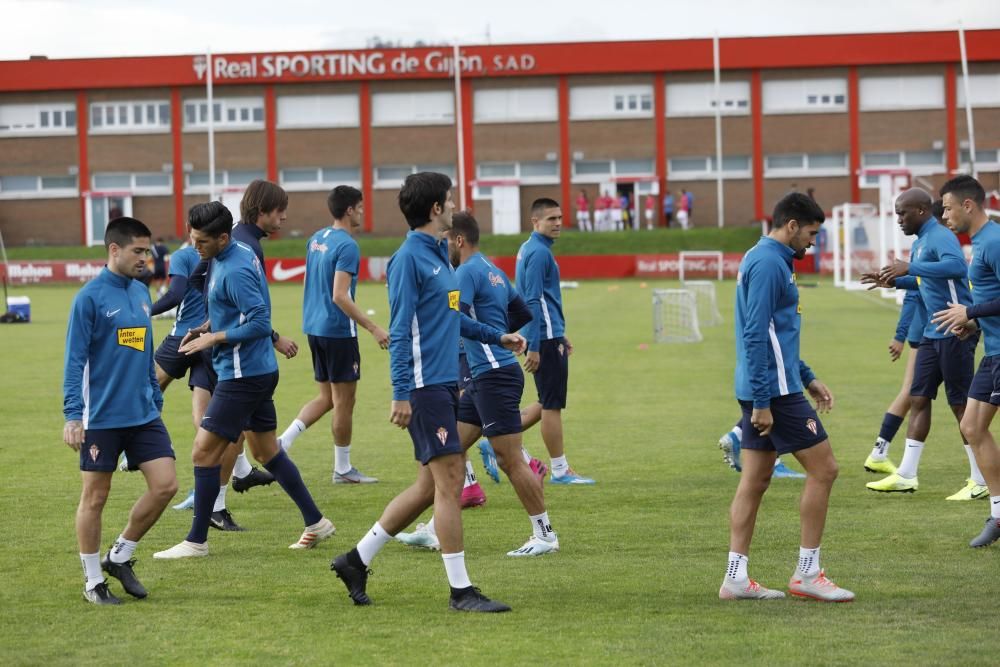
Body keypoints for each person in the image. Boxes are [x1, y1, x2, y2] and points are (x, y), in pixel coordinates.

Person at [330, 172, 525, 612]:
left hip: (444, 384)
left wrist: (498, 337)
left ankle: (355, 559)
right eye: (451, 199)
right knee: (451, 480)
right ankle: (461, 592)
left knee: (427, 486)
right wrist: (401, 393)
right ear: (436, 209)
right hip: (423, 388)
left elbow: (452, 319)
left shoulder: (441, 256)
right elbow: (400, 330)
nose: (455, 205)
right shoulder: (408, 260)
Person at [153, 201, 335, 559]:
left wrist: (215, 338)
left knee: (203, 452)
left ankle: (196, 541)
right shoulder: (223, 257)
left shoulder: (235, 267)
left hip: (243, 375)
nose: (195, 248)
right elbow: (233, 311)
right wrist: (206, 326)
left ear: (223, 237)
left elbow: (258, 321)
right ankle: (317, 522)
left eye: (201, 241)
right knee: (267, 451)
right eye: (191, 239)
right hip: (256, 370)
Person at [397, 212, 558, 556]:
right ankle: (435, 527)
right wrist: (498, 331)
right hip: (486, 374)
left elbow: (452, 317)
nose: (442, 245)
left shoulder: (465, 273)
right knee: (451, 455)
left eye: (446, 239)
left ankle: (544, 534)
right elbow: (522, 313)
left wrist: (474, 339)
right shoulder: (493, 270)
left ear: (458, 240)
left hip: (492, 374)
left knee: (510, 459)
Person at [720, 192, 853, 602]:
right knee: (825, 469)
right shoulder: (767, 263)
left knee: (756, 479)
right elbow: (756, 332)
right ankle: (808, 574)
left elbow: (779, 335)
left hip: (772, 384)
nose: (813, 242)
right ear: (791, 225)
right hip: (773, 391)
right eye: (811, 233)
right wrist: (763, 400)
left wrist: (808, 377)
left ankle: (736, 579)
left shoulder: (771, 260)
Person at [63, 216, 178, 604]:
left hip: (143, 413)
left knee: (166, 485)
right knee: (95, 498)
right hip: (101, 419)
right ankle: (93, 582)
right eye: (138, 251)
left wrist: (154, 393)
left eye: (148, 251)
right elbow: (74, 361)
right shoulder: (89, 298)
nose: (146, 258)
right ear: (115, 250)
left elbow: (145, 349)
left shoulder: (140, 293)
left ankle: (121, 554)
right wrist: (73, 414)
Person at [861, 188, 985, 498]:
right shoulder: (920, 243)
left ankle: (980, 480)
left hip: (956, 331)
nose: (899, 219)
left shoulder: (939, 236)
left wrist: (911, 267)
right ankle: (906, 474)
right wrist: (891, 279)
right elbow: (922, 280)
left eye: (902, 213)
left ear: (920, 211)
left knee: (960, 406)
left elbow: (958, 268)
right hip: (932, 333)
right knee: (918, 398)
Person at [276, 185, 388, 483]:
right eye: (360, 207)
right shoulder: (348, 245)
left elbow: (310, 284)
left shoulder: (316, 238)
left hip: (315, 328)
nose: (363, 212)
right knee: (344, 402)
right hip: (338, 331)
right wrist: (373, 327)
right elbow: (340, 295)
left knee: (326, 398)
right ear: (349, 209)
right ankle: (342, 469)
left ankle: (282, 442)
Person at [148, 228, 255, 530]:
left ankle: (137, 448)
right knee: (210, 424)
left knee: (217, 423)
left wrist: (146, 311)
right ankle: (232, 482)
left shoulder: (195, 257)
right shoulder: (231, 254)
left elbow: (179, 292)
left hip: (194, 337)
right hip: (202, 338)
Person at [929, 175, 1000, 547]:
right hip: (992, 351)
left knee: (974, 426)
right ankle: (999, 514)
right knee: (971, 427)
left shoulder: (995, 241)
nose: (944, 216)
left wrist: (970, 309)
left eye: (947, 208)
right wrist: (972, 323)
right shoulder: (980, 243)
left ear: (968, 205)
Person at [224, 179, 299, 494]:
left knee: (239, 434)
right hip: (237, 354)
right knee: (225, 433)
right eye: (279, 210)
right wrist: (274, 337)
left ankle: (217, 496)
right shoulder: (246, 246)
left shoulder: (243, 239)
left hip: (234, 349)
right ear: (262, 210)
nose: (283, 217)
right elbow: (250, 310)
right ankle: (211, 503)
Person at [516, 198, 595, 484]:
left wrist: (557, 332)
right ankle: (560, 470)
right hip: (544, 338)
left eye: (560, 217)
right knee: (552, 405)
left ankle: (500, 435)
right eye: (551, 219)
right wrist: (536, 345)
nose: (558, 223)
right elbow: (533, 300)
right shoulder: (539, 253)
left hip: (548, 334)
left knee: (546, 399)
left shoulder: (528, 249)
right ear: (535, 222)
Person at [861, 286, 926, 476]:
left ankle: (878, 453)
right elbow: (913, 291)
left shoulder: (919, 255)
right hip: (929, 332)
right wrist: (899, 336)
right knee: (962, 400)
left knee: (909, 393)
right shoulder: (923, 254)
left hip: (926, 330)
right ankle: (979, 475)